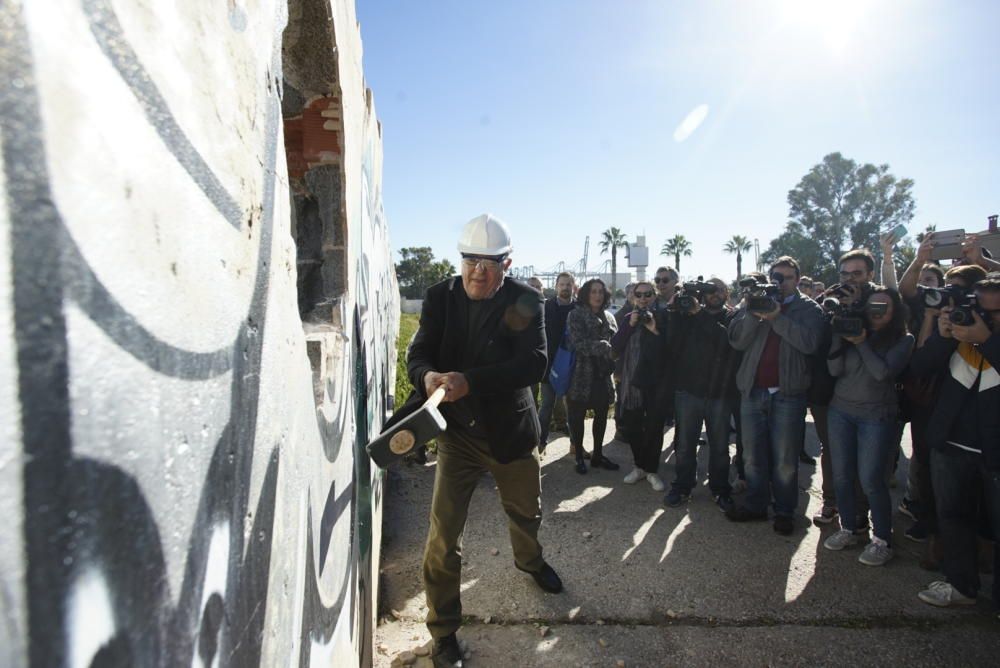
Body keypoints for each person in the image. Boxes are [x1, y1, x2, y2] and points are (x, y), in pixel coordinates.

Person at [406, 214, 562, 667]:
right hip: (455, 435)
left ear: (507, 264)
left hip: (509, 434)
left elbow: (533, 363)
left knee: (526, 512)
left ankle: (530, 562)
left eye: (489, 263)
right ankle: (443, 631)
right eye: (470, 260)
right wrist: (428, 376)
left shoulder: (527, 300)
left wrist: (470, 381)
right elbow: (419, 353)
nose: (478, 271)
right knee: (442, 537)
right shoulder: (440, 297)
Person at [909, 273, 1000, 609]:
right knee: (952, 517)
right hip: (950, 445)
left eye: (994, 313)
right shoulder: (960, 334)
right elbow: (918, 367)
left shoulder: (984, 336)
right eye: (981, 310)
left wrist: (987, 339)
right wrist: (945, 336)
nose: (984, 319)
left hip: (994, 450)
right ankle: (961, 584)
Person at [725, 256, 825, 535]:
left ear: (797, 279)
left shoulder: (808, 309)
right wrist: (754, 313)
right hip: (752, 391)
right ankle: (756, 505)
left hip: (788, 394)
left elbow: (810, 343)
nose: (780, 283)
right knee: (753, 457)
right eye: (776, 277)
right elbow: (737, 341)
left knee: (784, 460)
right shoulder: (753, 305)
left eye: (787, 278)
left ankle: (784, 511)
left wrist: (777, 317)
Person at [821, 288, 914, 566]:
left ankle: (882, 540)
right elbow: (834, 370)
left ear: (895, 310)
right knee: (842, 476)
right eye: (873, 306)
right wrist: (840, 338)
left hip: (876, 415)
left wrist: (861, 342)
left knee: (872, 480)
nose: (878, 312)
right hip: (841, 411)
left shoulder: (903, 339)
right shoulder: (852, 329)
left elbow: (882, 373)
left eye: (884, 307)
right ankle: (848, 528)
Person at [664, 278, 741, 511]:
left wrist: (699, 315)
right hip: (689, 390)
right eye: (709, 291)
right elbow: (671, 343)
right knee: (685, 445)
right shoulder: (688, 315)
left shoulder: (732, 317)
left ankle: (720, 488)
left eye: (718, 290)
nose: (713, 294)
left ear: (726, 293)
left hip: (719, 393)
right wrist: (674, 310)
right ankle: (683, 486)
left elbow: (725, 341)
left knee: (719, 446)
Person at [612, 281, 670, 491]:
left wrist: (654, 330)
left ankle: (652, 469)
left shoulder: (664, 317)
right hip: (631, 383)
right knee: (633, 426)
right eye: (639, 294)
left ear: (655, 296)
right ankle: (639, 466)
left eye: (648, 294)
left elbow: (669, 351)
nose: (643, 298)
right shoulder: (628, 318)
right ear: (633, 297)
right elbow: (615, 348)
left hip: (656, 382)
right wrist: (630, 325)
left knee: (654, 428)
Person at [566, 278, 620, 474]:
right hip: (580, 376)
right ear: (586, 294)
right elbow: (578, 344)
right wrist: (605, 347)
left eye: (601, 292)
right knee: (577, 417)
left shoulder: (610, 317)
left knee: (602, 416)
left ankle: (598, 454)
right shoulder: (575, 315)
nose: (597, 295)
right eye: (593, 291)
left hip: (603, 377)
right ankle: (579, 455)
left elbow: (618, 345)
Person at [539, 272, 577, 451]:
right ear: (556, 286)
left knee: (572, 408)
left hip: (571, 367)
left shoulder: (579, 308)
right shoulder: (546, 307)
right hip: (549, 365)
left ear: (573, 287)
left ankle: (575, 445)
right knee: (546, 406)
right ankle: (540, 444)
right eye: (562, 284)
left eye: (568, 284)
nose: (565, 288)